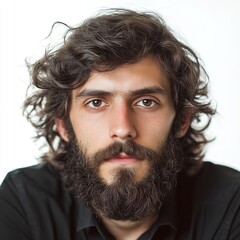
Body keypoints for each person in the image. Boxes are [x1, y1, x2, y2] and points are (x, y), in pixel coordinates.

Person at [0, 8, 239, 240]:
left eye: (146, 102)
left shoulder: (231, 202)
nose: (123, 128)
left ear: (181, 120)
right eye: (96, 103)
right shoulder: (25, 201)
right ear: (63, 125)